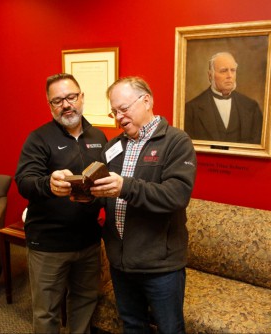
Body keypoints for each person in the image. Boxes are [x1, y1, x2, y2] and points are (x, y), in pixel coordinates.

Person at [90, 76, 197, 333]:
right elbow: (105, 193)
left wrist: (125, 187)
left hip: (160, 266)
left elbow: (176, 195)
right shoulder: (113, 146)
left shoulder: (176, 142)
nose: (118, 117)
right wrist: (86, 193)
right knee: (132, 326)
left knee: (169, 328)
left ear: (147, 100)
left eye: (124, 109)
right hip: (121, 262)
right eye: (114, 111)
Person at [15, 73, 107, 334]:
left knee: (84, 302)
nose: (66, 105)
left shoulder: (99, 137)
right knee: (46, 312)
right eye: (58, 101)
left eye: (71, 97)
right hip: (49, 244)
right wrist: (48, 184)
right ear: (50, 105)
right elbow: (24, 180)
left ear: (81, 98)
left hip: (88, 241)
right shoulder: (39, 139)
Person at [184, 51, 263, 144]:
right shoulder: (191, 109)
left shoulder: (252, 107)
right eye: (223, 71)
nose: (229, 76)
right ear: (210, 76)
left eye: (233, 70)